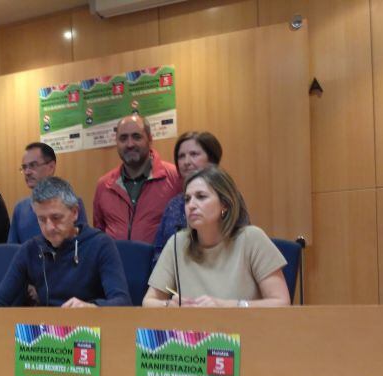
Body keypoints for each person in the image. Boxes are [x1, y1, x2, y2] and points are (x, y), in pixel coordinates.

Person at [0, 177, 131, 308]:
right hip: (48, 339)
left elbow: (122, 301)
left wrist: (92, 307)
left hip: (91, 333)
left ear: (74, 213)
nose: (50, 227)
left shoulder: (100, 244)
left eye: (56, 218)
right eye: (42, 219)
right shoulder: (31, 249)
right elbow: (0, 300)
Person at [143, 166, 289, 308]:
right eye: (187, 199)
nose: (191, 205)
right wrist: (168, 304)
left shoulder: (251, 238)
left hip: (245, 330)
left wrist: (227, 306)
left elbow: (281, 302)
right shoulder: (177, 243)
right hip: (192, 331)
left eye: (201, 197)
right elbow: (149, 301)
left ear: (224, 204)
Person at [92, 114, 179, 243]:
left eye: (136, 137)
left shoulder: (175, 178)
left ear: (149, 139)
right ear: (117, 142)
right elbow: (99, 233)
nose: (130, 144)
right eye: (123, 138)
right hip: (116, 263)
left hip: (161, 262)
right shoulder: (104, 186)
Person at [153, 131, 224, 260]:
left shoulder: (227, 199)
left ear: (212, 160)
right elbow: (159, 254)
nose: (186, 162)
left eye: (194, 154)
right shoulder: (173, 205)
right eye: (181, 156)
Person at [8, 142, 88, 243]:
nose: (27, 172)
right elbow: (13, 249)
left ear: (51, 167)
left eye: (33, 165)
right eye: (24, 167)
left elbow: (83, 244)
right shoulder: (20, 208)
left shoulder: (72, 202)